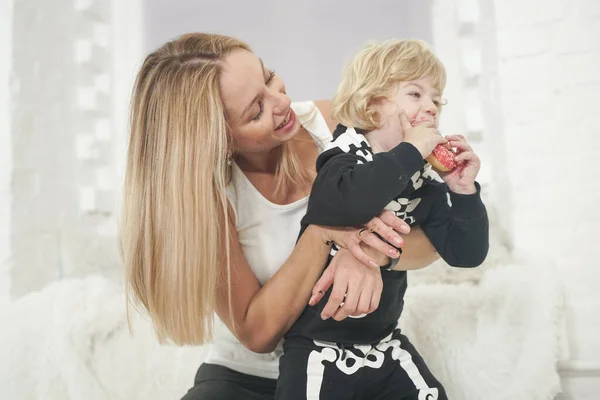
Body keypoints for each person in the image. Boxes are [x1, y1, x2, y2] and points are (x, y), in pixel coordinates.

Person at [120, 33, 440, 400]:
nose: (282, 101)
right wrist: (323, 233)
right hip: (248, 381)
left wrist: (369, 252)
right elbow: (257, 333)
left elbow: (435, 238)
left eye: (269, 76)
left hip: (351, 365)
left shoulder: (341, 125)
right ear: (216, 138)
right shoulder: (211, 200)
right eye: (256, 110)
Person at [276, 39, 489, 399]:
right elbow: (347, 206)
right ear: (372, 105)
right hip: (316, 346)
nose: (431, 108)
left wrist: (463, 191)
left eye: (437, 99)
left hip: (384, 344)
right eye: (415, 94)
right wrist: (412, 150)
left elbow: (465, 254)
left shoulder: (422, 182)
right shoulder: (341, 159)